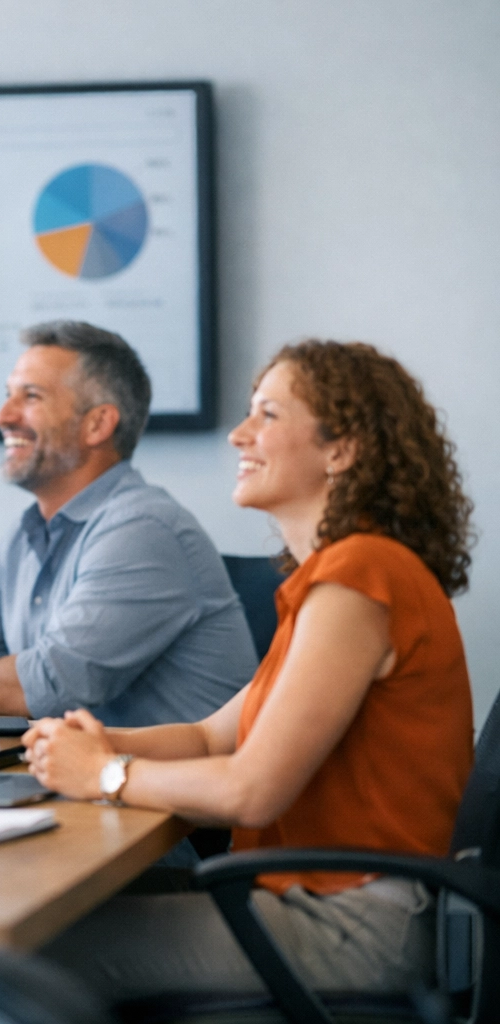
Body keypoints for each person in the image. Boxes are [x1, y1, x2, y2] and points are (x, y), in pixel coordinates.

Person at [27, 340, 475, 1001]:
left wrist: (103, 774)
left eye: (267, 414)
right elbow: (213, 737)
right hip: (314, 900)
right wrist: (77, 742)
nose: (240, 434)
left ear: (340, 449)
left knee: (18, 952)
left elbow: (252, 791)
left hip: (353, 924)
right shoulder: (334, 578)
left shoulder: (360, 578)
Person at [0, 321, 255, 726]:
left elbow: (51, 686)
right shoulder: (26, 535)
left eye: (30, 396)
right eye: (8, 396)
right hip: (80, 780)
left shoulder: (143, 528)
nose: (2, 416)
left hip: (163, 785)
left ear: (97, 424)